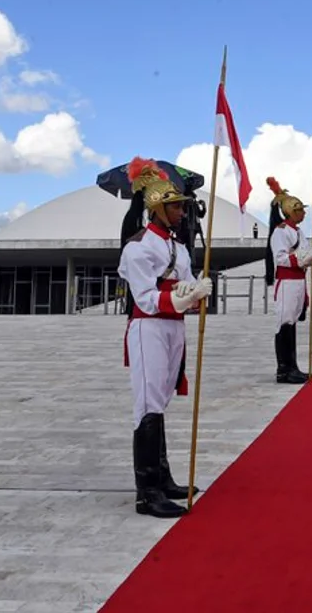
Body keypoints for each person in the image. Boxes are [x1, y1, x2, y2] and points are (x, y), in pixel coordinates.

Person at [118, 157, 212, 518]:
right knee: (148, 405)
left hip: (174, 326)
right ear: (157, 208)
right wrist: (183, 298)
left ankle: (162, 476)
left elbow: (184, 284)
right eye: (175, 206)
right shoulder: (138, 246)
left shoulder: (178, 246)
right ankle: (148, 492)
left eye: (182, 206)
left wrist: (197, 292)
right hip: (150, 327)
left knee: (161, 400)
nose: (181, 212)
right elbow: (144, 298)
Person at [264, 176, 312, 385]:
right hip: (287, 281)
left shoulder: (299, 231)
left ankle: (292, 365)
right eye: (300, 210)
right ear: (291, 212)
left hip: (299, 279)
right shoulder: (281, 232)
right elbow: (280, 258)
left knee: (292, 322)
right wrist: (299, 259)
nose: (303, 213)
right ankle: (283, 369)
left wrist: (306, 259)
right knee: (285, 323)